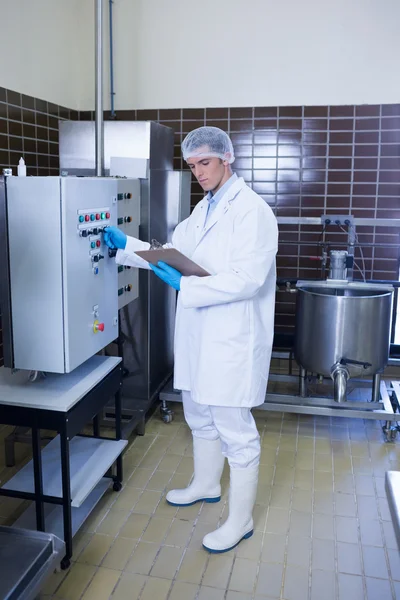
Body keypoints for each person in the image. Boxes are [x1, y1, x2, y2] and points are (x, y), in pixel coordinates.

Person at [104, 126, 278, 553]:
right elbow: (169, 254)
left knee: (236, 433)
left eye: (205, 162)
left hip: (232, 340)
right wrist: (126, 246)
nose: (198, 171)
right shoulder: (201, 212)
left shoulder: (252, 212)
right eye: (192, 164)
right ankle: (205, 484)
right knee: (198, 415)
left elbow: (248, 280)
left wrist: (187, 288)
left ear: (227, 158)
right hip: (200, 337)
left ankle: (241, 520)